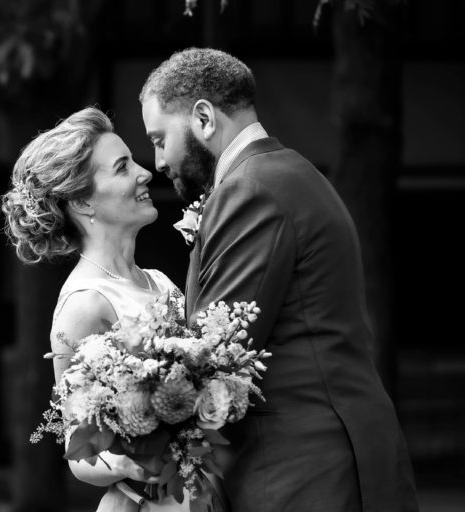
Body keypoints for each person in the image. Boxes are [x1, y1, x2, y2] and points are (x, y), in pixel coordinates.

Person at [139, 47, 419, 512]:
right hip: (336, 454)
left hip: (304, 471)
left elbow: (213, 350)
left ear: (204, 118)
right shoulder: (293, 172)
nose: (158, 162)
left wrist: (129, 407)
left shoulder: (250, 189)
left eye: (159, 138)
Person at [1, 107, 187, 512]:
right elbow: (78, 448)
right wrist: (132, 460)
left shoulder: (159, 280)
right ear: (84, 201)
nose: (144, 173)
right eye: (123, 167)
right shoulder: (84, 305)